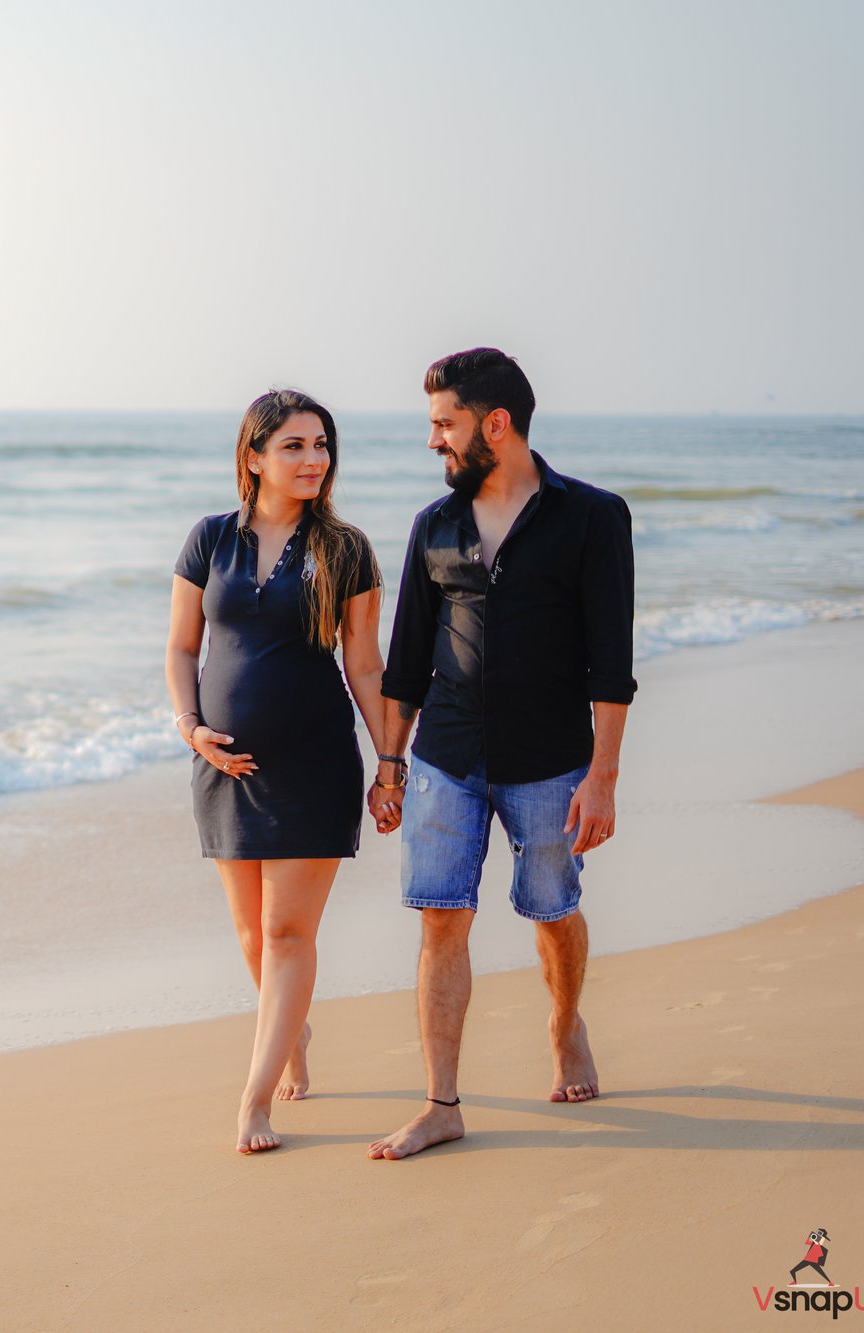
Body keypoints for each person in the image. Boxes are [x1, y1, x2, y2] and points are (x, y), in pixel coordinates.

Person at [365, 347, 637, 1161]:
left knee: (552, 908)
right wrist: (389, 764)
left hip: (551, 759)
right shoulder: (433, 526)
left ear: (496, 424)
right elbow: (407, 665)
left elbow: (610, 662)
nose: (433, 442)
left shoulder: (591, 516)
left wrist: (603, 777)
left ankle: (564, 1021)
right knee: (442, 919)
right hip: (446, 754)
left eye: (443, 424)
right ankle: (442, 1102)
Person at [165, 389, 392, 1154]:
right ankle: (291, 1033)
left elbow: (363, 663)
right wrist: (191, 728)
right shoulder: (209, 539)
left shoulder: (347, 548)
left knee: (287, 931)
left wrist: (391, 758)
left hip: (316, 760)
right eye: (294, 445)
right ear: (253, 455)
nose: (312, 459)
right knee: (251, 933)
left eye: (321, 444)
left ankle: (254, 1100)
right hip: (225, 764)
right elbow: (180, 648)